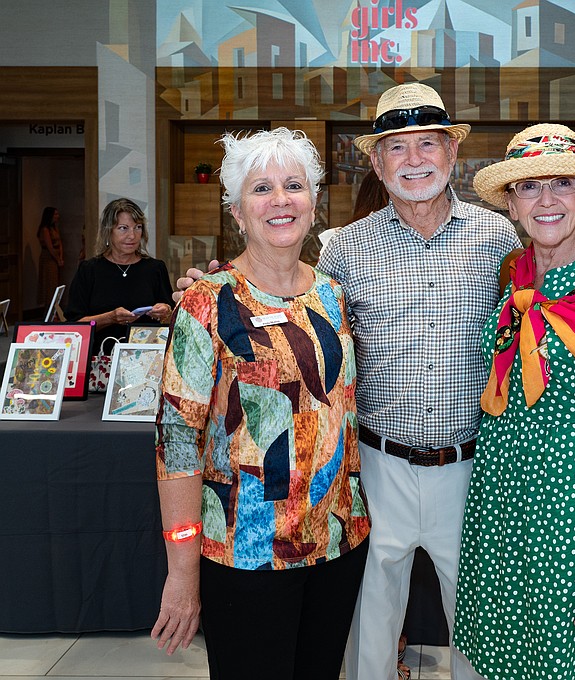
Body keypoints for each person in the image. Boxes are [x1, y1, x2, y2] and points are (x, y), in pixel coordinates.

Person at [172, 84, 521, 680]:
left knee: (481, 636)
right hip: (371, 475)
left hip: (471, 466)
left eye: (429, 144)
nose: (415, 160)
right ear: (377, 164)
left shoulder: (502, 241)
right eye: (398, 148)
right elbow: (274, 287)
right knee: (368, 640)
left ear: (453, 155)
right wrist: (206, 288)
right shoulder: (341, 250)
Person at [151, 128, 370, 680]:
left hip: (336, 543)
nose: (280, 200)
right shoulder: (206, 302)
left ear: (314, 204)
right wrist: (182, 572)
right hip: (244, 553)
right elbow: (178, 445)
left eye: (293, 185)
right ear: (236, 211)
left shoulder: (332, 294)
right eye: (261, 189)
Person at [454, 123, 575, 680]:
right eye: (529, 187)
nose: (546, 200)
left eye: (562, 184)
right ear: (512, 205)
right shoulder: (514, 279)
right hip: (501, 512)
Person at [65, 198, 173, 353]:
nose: (132, 235)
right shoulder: (89, 270)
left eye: (138, 227)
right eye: (123, 228)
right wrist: (110, 317)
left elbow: (171, 317)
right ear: (108, 231)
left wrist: (165, 312)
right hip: (100, 359)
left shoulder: (155, 268)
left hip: (147, 361)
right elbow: (75, 326)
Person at [37, 206, 64, 309]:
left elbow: (60, 243)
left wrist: (61, 257)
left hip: (56, 257)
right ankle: (49, 308)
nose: (58, 216)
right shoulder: (45, 230)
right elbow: (50, 247)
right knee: (49, 283)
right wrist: (58, 259)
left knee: (56, 283)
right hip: (48, 258)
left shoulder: (54, 228)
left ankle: (55, 308)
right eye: (55, 214)